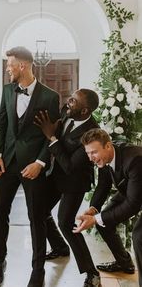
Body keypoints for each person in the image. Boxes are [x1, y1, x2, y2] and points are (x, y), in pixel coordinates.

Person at [0, 46, 59, 287]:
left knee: (36, 216)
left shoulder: (50, 97)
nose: (7, 68)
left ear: (22, 65)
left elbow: (50, 135)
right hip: (7, 163)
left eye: (10, 64)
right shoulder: (8, 90)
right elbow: (2, 123)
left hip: (33, 165)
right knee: (0, 213)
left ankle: (37, 268)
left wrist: (40, 163)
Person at [34, 89, 101, 287]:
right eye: (70, 98)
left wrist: (51, 138)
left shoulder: (91, 133)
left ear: (85, 110)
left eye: (73, 101)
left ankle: (92, 273)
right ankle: (59, 247)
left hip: (75, 181)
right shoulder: (67, 112)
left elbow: (71, 166)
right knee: (38, 209)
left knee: (65, 223)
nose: (68, 102)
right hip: (56, 175)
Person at [74, 128, 142, 286]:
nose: (91, 158)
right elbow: (103, 185)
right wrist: (93, 209)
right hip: (130, 190)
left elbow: (133, 205)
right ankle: (124, 263)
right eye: (88, 153)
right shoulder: (104, 158)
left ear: (108, 146)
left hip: (135, 194)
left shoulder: (135, 159)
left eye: (94, 152)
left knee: (139, 237)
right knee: (105, 222)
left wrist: (96, 219)